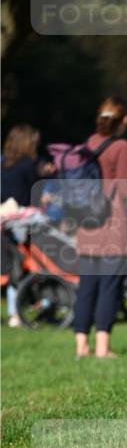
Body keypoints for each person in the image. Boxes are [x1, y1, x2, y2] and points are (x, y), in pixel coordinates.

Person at [73, 95, 127, 359]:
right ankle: (103, 347)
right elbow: (124, 188)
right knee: (109, 287)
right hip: (113, 224)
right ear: (124, 120)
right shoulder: (121, 146)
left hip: (87, 225)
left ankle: (81, 346)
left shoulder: (87, 144)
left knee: (86, 287)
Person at [1, 125, 54, 327]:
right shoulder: (29, 164)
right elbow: (35, 191)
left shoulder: (3, 164)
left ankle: (15, 313)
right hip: (26, 220)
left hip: (6, 219)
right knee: (35, 264)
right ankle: (43, 303)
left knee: (16, 266)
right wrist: (48, 175)